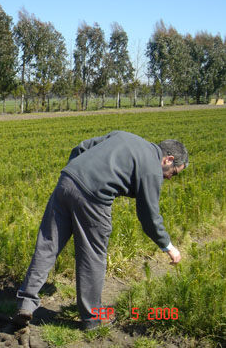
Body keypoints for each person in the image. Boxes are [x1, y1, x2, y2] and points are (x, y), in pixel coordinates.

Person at [13, 130, 188, 331]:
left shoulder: (126, 136)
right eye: (173, 173)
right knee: (92, 258)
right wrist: (168, 246)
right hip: (94, 198)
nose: (170, 178)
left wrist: (75, 176)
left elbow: (81, 148)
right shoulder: (152, 169)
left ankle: (25, 304)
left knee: (47, 245)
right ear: (169, 159)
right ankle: (92, 318)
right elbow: (149, 216)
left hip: (67, 180)